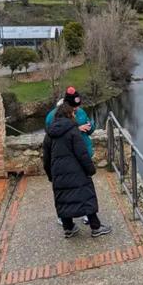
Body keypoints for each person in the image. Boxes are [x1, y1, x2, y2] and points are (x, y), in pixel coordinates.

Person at [42, 102, 111, 238]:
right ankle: (95, 227)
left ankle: (68, 228)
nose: (75, 115)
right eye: (73, 113)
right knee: (86, 197)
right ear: (68, 114)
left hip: (58, 174)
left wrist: (51, 175)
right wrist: (90, 170)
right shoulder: (73, 131)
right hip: (77, 171)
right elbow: (82, 153)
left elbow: (46, 158)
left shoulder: (49, 134)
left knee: (63, 200)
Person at [46, 86, 94, 226]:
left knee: (83, 188)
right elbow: (51, 134)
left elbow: (90, 126)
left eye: (78, 107)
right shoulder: (52, 116)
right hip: (67, 157)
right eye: (75, 108)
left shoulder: (80, 112)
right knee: (67, 189)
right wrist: (76, 129)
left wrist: (91, 126)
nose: (77, 110)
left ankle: (86, 214)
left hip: (82, 153)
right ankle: (65, 218)